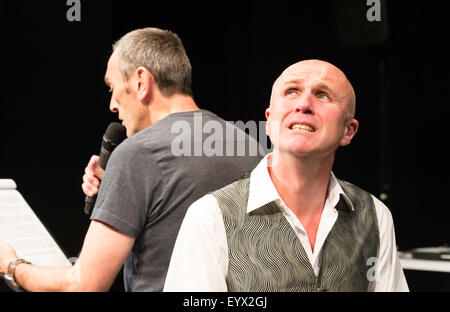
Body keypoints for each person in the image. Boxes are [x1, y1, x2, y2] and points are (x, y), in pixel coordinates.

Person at [0, 27, 262, 291]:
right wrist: (118, 194)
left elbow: (82, 285)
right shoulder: (254, 150)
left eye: (112, 87)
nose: (112, 105)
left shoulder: (138, 153)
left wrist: (13, 266)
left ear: (141, 82)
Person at [163, 59, 409, 292]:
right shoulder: (210, 217)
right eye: (291, 91)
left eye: (322, 95)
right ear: (269, 122)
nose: (303, 104)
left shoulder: (375, 216)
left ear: (348, 130)